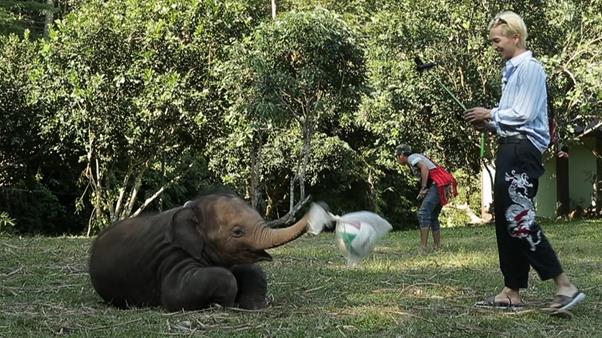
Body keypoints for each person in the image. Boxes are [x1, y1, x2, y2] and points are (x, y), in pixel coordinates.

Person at [464, 10, 585, 312]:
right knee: (507, 221)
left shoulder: (529, 68)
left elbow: (524, 114)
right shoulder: (512, 72)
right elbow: (513, 117)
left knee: (518, 217)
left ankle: (564, 286)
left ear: (515, 37)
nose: (494, 46)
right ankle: (511, 291)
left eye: (497, 40)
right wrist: (490, 124)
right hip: (511, 148)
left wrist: (490, 113)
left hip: (521, 152)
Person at [395, 144, 457, 253]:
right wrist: (424, 190)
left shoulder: (411, 158)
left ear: (401, 155)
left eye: (397, 156)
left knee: (423, 213)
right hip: (442, 182)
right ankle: (437, 247)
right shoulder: (415, 157)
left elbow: (424, 168)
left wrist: (423, 188)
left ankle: (423, 248)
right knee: (432, 216)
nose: (397, 159)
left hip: (438, 182)